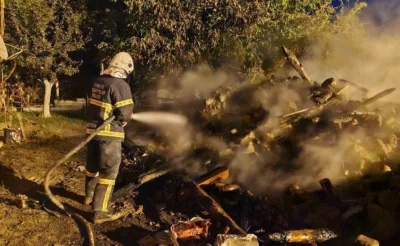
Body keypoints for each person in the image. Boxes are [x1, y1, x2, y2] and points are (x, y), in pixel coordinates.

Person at [84, 52, 135, 224]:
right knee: (108, 173)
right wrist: (125, 119)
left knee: (92, 168)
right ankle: (100, 211)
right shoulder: (120, 85)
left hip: (92, 133)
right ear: (125, 70)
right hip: (109, 136)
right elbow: (125, 113)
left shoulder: (99, 81)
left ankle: (88, 197)